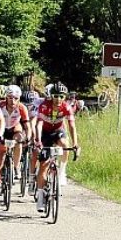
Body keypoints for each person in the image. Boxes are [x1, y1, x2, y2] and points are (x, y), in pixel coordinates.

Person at [35, 82, 79, 212]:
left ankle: (62, 172)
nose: (58, 99)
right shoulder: (44, 106)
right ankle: (41, 197)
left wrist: (75, 143)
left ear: (65, 97)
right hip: (45, 133)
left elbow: (71, 126)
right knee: (43, 165)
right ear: (51, 96)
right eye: (55, 96)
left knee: (65, 145)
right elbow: (39, 125)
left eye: (61, 96)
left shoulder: (66, 107)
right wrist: (38, 141)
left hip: (58, 131)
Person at [0, 85, 31, 194]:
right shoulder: (0, 106)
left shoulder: (21, 108)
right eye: (10, 97)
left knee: (19, 139)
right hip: (2, 129)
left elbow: (27, 125)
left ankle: (15, 167)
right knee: (1, 153)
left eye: (16, 98)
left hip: (14, 127)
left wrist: (28, 137)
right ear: (6, 97)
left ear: (19, 98)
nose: (13, 101)